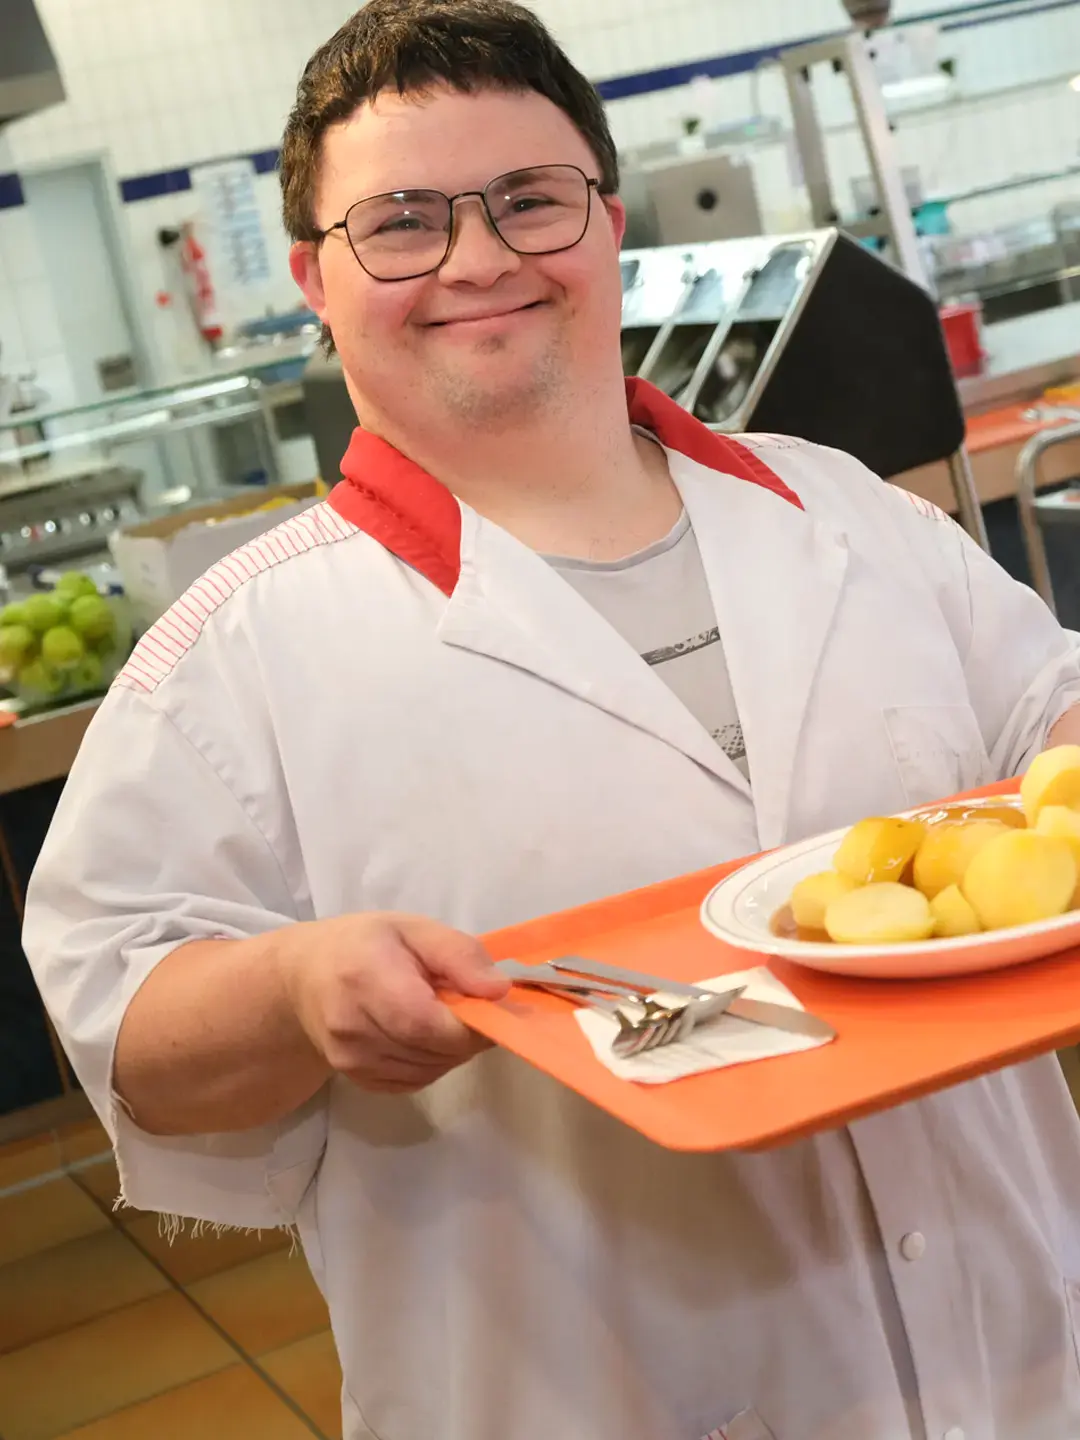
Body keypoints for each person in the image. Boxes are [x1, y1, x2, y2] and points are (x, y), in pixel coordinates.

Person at [23, 3, 1080, 1437]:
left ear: (605, 220)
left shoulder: (835, 507)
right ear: (312, 281)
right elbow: (120, 1012)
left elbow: (1048, 718)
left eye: (530, 200)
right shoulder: (237, 654)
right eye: (400, 223)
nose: (479, 258)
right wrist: (292, 991)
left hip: (1026, 1360)